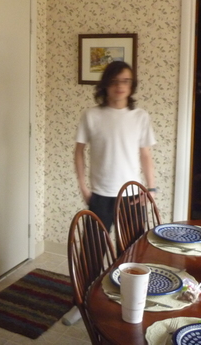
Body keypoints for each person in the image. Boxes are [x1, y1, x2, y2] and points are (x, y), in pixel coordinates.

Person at [63, 60, 157, 326]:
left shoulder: (140, 117)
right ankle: (82, 303)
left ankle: (128, 302)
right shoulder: (91, 115)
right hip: (100, 195)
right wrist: (83, 186)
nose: (120, 86)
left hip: (132, 196)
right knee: (91, 252)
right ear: (106, 85)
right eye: (115, 81)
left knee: (131, 253)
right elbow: (79, 151)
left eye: (125, 81)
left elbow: (146, 155)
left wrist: (150, 189)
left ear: (132, 85)